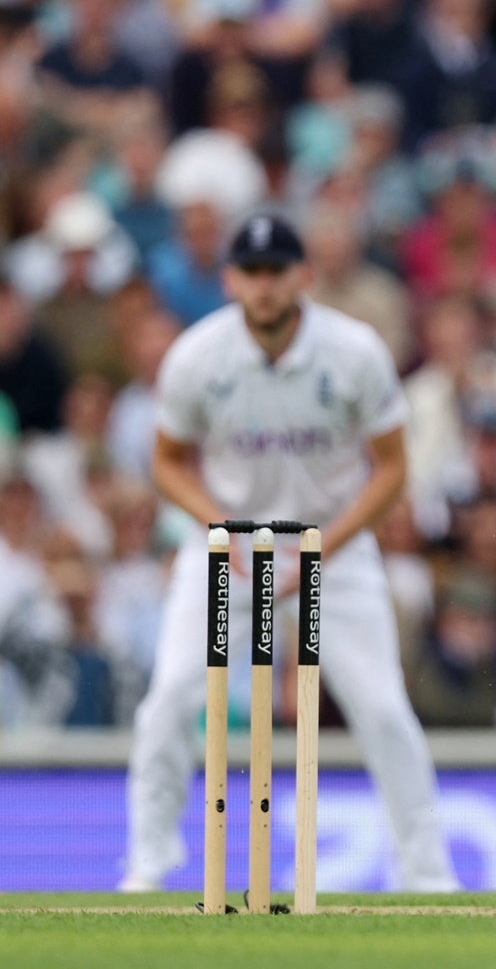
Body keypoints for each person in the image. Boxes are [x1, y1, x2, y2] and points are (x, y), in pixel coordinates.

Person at [119, 213, 458, 894]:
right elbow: (167, 462)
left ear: (304, 276)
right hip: (228, 552)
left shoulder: (355, 352)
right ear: (230, 280)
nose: (265, 286)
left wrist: (324, 549)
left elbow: (391, 469)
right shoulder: (197, 356)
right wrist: (223, 528)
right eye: (252, 272)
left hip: (333, 549)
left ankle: (426, 873)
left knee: (384, 708)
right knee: (171, 696)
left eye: (277, 271)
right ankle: (149, 863)